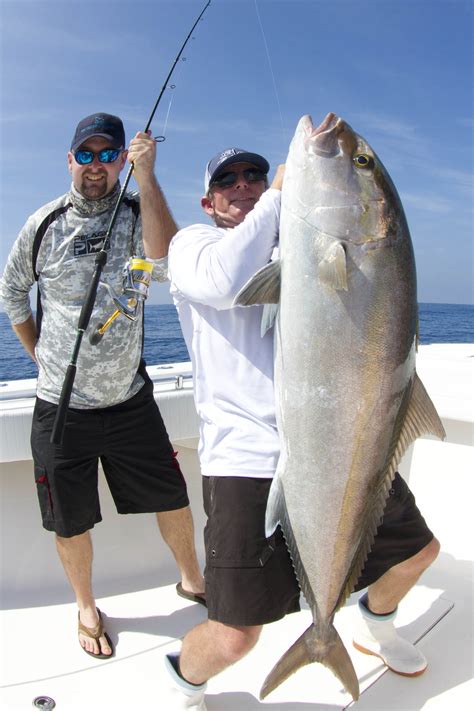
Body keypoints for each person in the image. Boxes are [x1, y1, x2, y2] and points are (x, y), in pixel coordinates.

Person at [165, 147, 440, 709]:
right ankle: (186, 682)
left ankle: (372, 623)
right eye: (228, 180)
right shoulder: (192, 246)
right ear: (208, 201)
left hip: (330, 449)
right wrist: (276, 200)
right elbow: (223, 283)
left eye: (255, 175)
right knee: (234, 635)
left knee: (419, 553)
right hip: (243, 460)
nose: (244, 185)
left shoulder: (291, 241)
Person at [0, 112, 204, 660]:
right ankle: (87, 607)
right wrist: (38, 352)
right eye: (84, 155)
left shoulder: (140, 213)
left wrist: (148, 176)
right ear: (70, 160)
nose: (95, 166)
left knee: (173, 496)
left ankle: (194, 580)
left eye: (106, 154)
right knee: (69, 518)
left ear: (120, 159)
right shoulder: (44, 224)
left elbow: (166, 263)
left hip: (131, 399)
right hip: (61, 406)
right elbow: (12, 292)